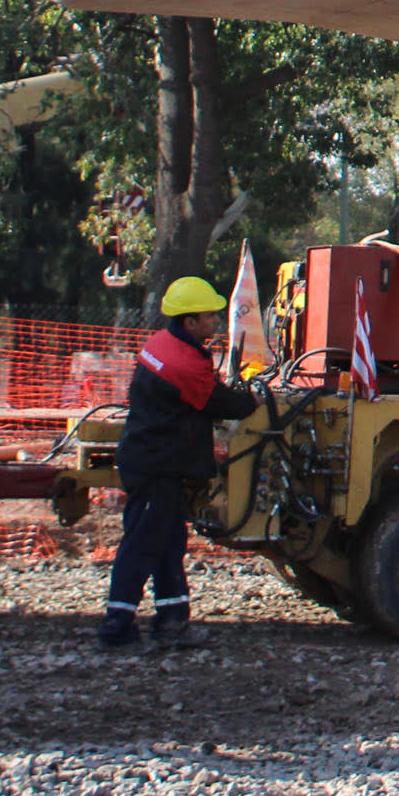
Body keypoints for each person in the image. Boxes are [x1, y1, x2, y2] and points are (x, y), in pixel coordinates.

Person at [98, 276, 262, 652]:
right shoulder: (184, 362)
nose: (217, 322)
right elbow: (219, 403)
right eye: (210, 316)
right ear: (189, 321)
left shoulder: (162, 344)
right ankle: (116, 627)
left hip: (156, 462)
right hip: (158, 467)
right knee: (142, 545)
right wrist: (251, 402)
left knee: (169, 542)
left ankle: (172, 619)